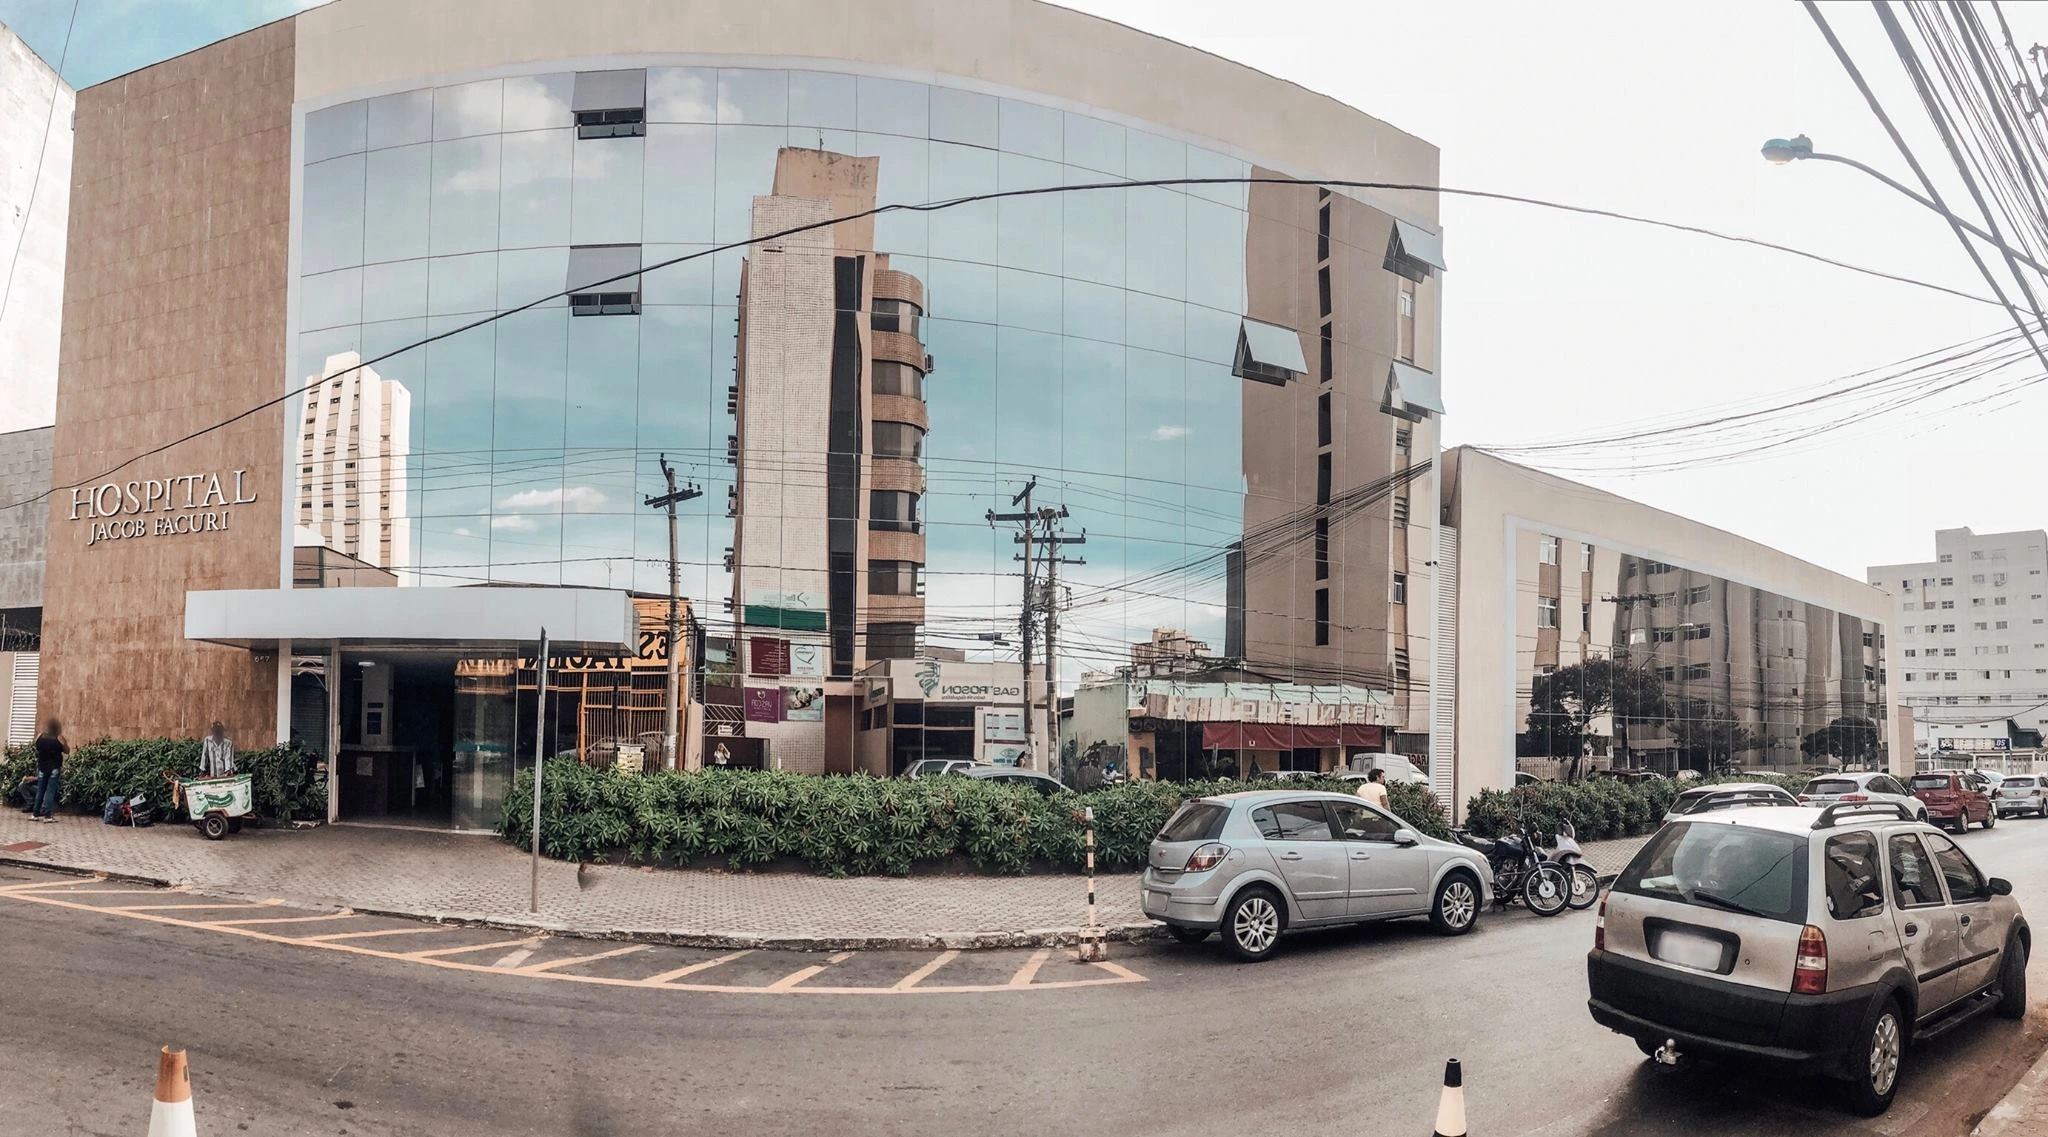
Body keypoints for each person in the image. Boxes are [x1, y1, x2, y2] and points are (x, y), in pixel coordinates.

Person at [31, 718, 67, 823]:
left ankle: (35, 814)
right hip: (54, 767)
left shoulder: (40, 736)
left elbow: (36, 746)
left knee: (40, 790)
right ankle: (47, 816)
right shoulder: (59, 737)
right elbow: (67, 750)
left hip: (42, 766)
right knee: (50, 791)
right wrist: (63, 744)